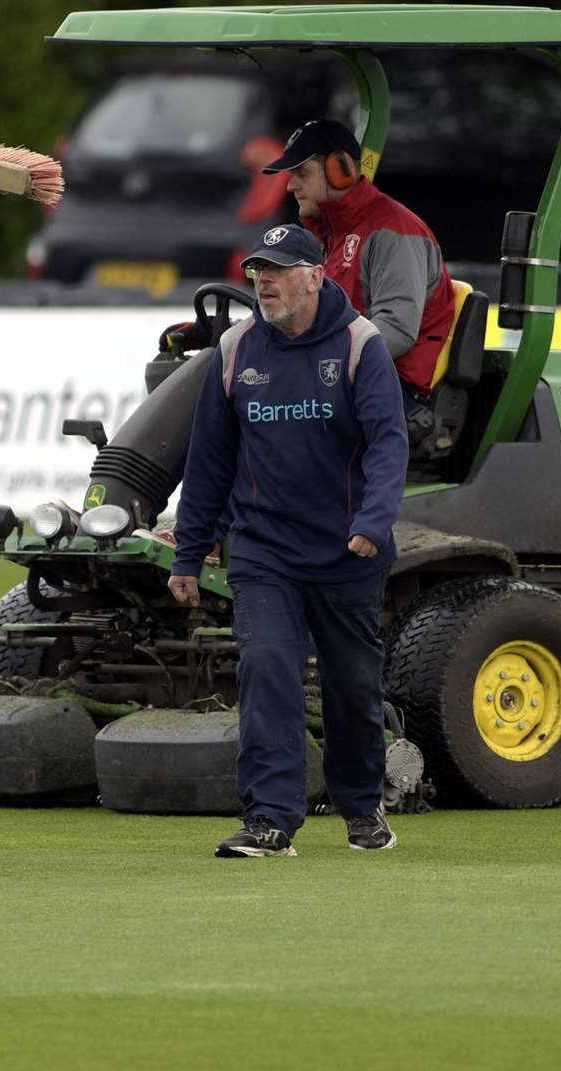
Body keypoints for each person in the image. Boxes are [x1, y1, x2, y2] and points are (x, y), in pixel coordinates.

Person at [168, 223, 408, 858]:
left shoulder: (361, 345)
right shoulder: (235, 349)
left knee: (352, 686)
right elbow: (209, 461)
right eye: (256, 272)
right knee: (267, 667)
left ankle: (362, 805)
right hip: (263, 550)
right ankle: (270, 820)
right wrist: (189, 552)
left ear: (313, 275)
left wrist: (373, 522)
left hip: (347, 551)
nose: (262, 282)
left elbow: (388, 444)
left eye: (275, 270)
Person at [262, 119, 457, 432]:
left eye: (302, 174)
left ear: (341, 171)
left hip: (391, 392)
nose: (290, 186)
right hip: (344, 382)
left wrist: (314, 363)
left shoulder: (393, 231)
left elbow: (395, 328)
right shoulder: (329, 237)